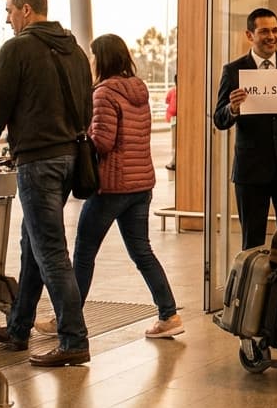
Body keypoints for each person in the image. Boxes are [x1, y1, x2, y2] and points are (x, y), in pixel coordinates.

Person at [38, 35, 184, 340]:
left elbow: (103, 142)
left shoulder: (104, 92)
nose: (90, 62)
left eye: (93, 57)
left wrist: (83, 134)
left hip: (113, 187)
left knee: (84, 253)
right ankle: (169, 314)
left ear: (101, 59)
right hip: (140, 184)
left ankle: (66, 318)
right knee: (142, 252)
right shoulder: (139, 90)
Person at [0, 0, 91, 367]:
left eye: (10, 11)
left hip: (38, 161)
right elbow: (87, 108)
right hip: (68, 159)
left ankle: (74, 339)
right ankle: (18, 328)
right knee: (33, 246)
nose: (8, 19)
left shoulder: (18, 49)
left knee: (49, 251)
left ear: (27, 10)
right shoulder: (76, 51)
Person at [211, 7, 277, 250]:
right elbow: (219, 119)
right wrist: (233, 108)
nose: (271, 36)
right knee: (252, 241)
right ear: (250, 35)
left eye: (274, 30)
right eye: (264, 31)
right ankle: (255, 287)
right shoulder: (233, 71)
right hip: (251, 171)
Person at [164, 75, 177, 171]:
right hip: (177, 117)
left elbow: (167, 101)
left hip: (173, 118)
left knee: (174, 142)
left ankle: (174, 162)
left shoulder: (172, 91)